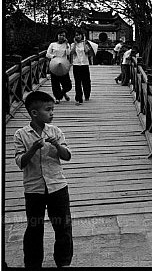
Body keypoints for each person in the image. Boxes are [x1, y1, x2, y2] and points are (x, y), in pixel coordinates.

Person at [13, 91, 73, 268]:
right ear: (34, 113)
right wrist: (32, 149)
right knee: (34, 228)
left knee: (63, 227)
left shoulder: (55, 131)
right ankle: (32, 263)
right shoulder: (21, 134)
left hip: (57, 186)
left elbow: (67, 156)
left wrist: (56, 144)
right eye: (48, 110)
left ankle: (63, 262)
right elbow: (20, 162)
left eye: (53, 109)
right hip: (34, 189)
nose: (52, 113)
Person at [46, 28, 72, 104]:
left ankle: (62, 93)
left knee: (68, 85)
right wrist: (53, 57)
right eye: (60, 35)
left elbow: (68, 54)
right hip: (54, 65)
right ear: (57, 35)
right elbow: (47, 54)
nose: (62, 37)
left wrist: (67, 45)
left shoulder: (66, 45)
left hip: (63, 65)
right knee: (55, 83)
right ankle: (58, 97)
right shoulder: (52, 44)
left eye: (63, 35)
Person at [70, 30, 95, 105]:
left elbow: (87, 51)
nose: (78, 36)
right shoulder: (72, 44)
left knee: (86, 81)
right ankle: (79, 97)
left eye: (79, 35)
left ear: (82, 36)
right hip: (76, 64)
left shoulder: (86, 44)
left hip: (84, 64)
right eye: (76, 35)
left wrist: (84, 43)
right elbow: (72, 52)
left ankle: (87, 95)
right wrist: (75, 43)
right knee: (77, 82)